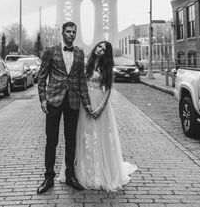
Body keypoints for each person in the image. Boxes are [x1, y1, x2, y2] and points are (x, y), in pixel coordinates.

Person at [59, 40, 137, 191]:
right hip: (84, 101)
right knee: (82, 135)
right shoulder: (86, 63)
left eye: (104, 49)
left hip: (99, 101)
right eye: (99, 46)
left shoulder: (106, 67)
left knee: (100, 136)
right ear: (95, 47)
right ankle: (81, 171)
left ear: (106, 54)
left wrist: (101, 107)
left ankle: (101, 172)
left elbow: (107, 89)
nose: (100, 50)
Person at [37, 21, 92, 194]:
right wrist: (43, 99)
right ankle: (48, 177)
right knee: (51, 139)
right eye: (68, 32)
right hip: (54, 100)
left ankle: (70, 175)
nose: (71, 34)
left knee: (71, 140)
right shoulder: (50, 51)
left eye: (74, 32)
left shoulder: (79, 53)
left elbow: (81, 80)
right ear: (62, 33)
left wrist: (87, 101)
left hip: (73, 101)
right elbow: (42, 76)